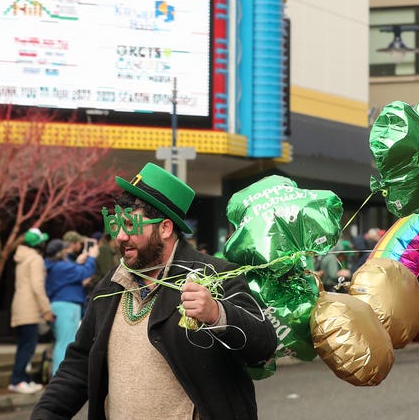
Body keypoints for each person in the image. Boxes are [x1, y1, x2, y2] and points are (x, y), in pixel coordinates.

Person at [31, 162, 277, 419]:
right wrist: (46, 414)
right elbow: (79, 364)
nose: (121, 236)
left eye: (132, 225)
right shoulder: (109, 287)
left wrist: (217, 313)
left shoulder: (216, 275)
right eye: (117, 224)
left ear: (165, 228)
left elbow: (265, 344)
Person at [9, 227, 55, 394]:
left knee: (23, 344)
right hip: (29, 307)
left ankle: (22, 378)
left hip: (19, 304)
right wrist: (46, 310)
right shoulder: (35, 259)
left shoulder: (22, 257)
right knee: (28, 346)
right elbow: (37, 286)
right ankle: (18, 380)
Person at [44, 238, 98, 376]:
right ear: (60, 252)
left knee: (62, 341)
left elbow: (73, 273)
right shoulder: (61, 267)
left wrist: (77, 262)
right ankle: (59, 377)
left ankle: (59, 375)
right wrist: (91, 258)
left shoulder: (54, 266)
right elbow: (84, 272)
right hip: (66, 306)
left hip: (60, 305)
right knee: (65, 343)